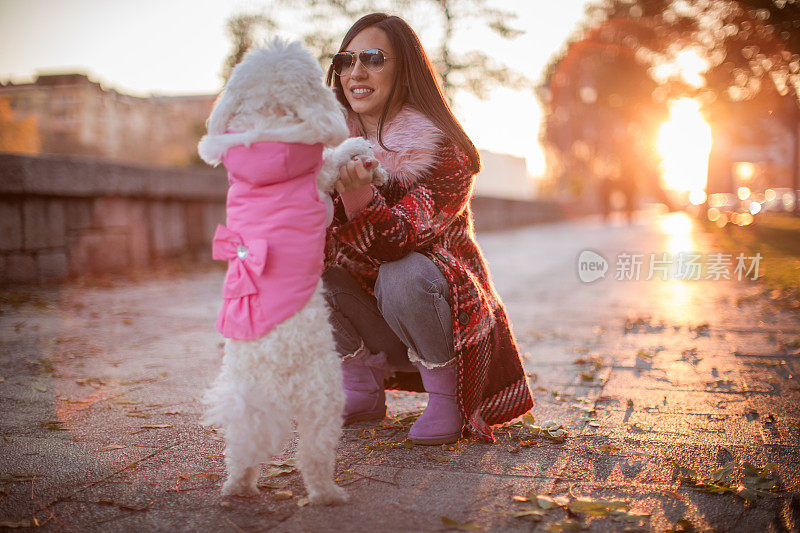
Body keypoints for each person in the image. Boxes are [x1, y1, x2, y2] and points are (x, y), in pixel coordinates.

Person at [322, 13, 533, 445]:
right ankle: (360, 385)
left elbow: (396, 243)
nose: (355, 72)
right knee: (294, 271)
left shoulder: (442, 153)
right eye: (346, 60)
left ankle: (448, 398)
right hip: (375, 326)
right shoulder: (323, 150)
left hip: (443, 324)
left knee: (404, 271)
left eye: (374, 58)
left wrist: (359, 194)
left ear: (405, 68)